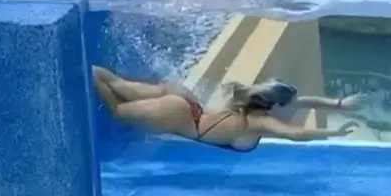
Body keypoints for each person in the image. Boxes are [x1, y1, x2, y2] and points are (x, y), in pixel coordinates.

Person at [92, 66, 363, 152]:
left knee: (117, 83)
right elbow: (295, 134)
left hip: (186, 100)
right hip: (182, 117)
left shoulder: (248, 99)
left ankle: (86, 67)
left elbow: (304, 100)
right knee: (117, 110)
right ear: (276, 105)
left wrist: (339, 104)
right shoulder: (257, 122)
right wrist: (334, 132)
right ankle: (80, 72)